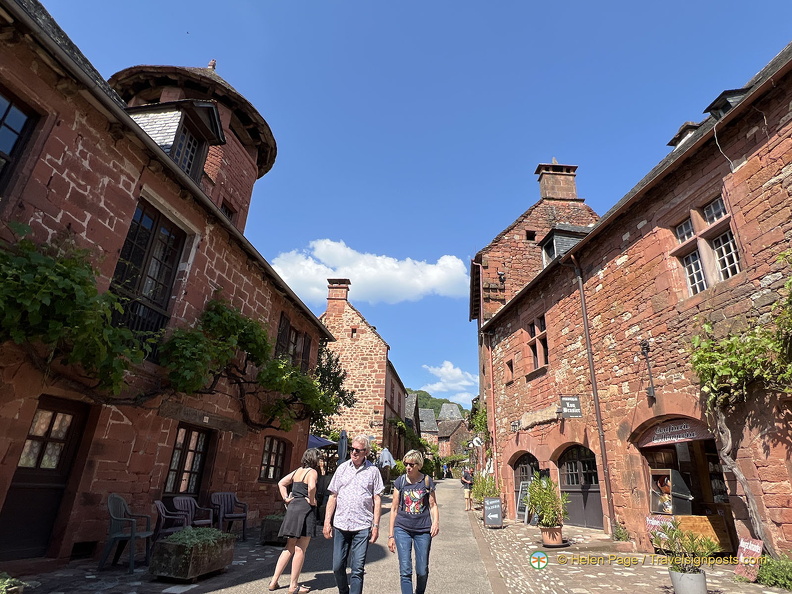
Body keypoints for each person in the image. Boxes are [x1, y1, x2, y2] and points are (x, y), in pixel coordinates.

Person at [323, 435, 384, 594]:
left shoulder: (373, 471)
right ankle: (344, 591)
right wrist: (327, 522)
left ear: (366, 452)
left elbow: (377, 499)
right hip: (341, 524)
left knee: (357, 569)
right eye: (352, 449)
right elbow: (333, 495)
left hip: (362, 526)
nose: (354, 452)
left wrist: (376, 526)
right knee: (337, 566)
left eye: (358, 450)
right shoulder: (342, 468)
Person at [269, 448, 321, 594]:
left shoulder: (297, 471)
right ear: (315, 459)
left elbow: (281, 483)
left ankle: (274, 581)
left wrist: (286, 498)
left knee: (289, 546)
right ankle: (293, 586)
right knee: (300, 548)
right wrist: (312, 501)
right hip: (305, 509)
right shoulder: (312, 472)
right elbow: (311, 487)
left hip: (292, 509)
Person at [387, 450, 439, 594]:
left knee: (422, 570)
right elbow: (394, 509)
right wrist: (391, 535)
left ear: (419, 465)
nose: (408, 467)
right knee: (405, 570)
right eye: (406, 464)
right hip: (402, 528)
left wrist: (436, 523)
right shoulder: (401, 481)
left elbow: (433, 505)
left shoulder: (427, 481)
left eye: (411, 464)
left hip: (423, 530)